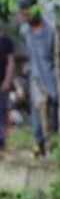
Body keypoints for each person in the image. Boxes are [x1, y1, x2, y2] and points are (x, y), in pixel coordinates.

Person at [17, 0, 58, 156]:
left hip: (50, 78)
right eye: (23, 14)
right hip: (34, 78)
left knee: (52, 114)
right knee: (36, 113)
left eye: (27, 12)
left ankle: (52, 146)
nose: (26, 16)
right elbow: (24, 57)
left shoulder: (51, 31)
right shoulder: (24, 32)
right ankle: (39, 145)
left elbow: (56, 58)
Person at [0, 24, 15, 154]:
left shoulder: (7, 41)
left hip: (2, 83)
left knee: (3, 112)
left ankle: (2, 141)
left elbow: (11, 63)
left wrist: (7, 80)